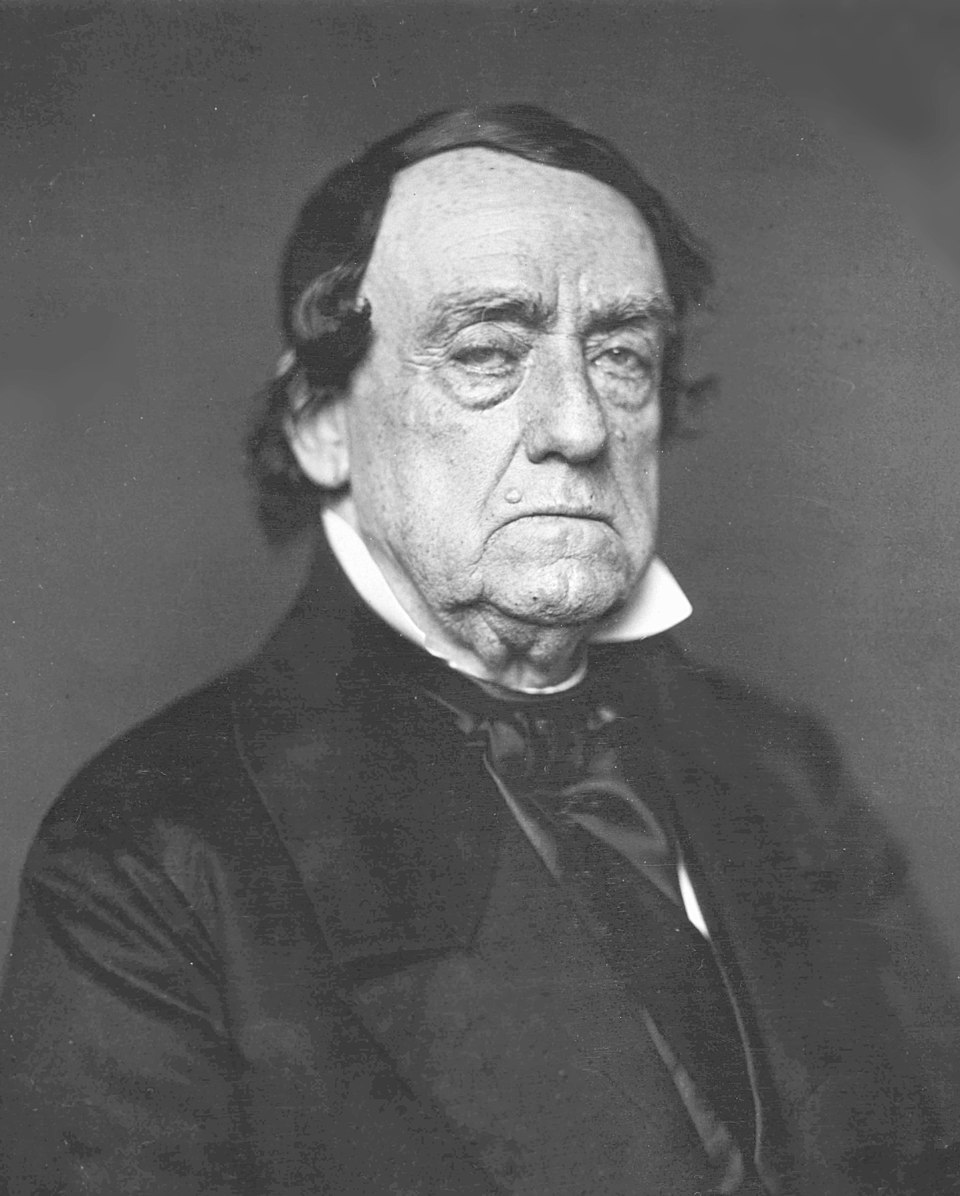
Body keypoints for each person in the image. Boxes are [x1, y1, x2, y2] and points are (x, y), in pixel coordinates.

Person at [1, 103, 958, 1195]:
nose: (580, 426)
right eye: (489, 352)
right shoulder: (148, 857)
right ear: (320, 420)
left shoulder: (784, 770)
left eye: (622, 355)